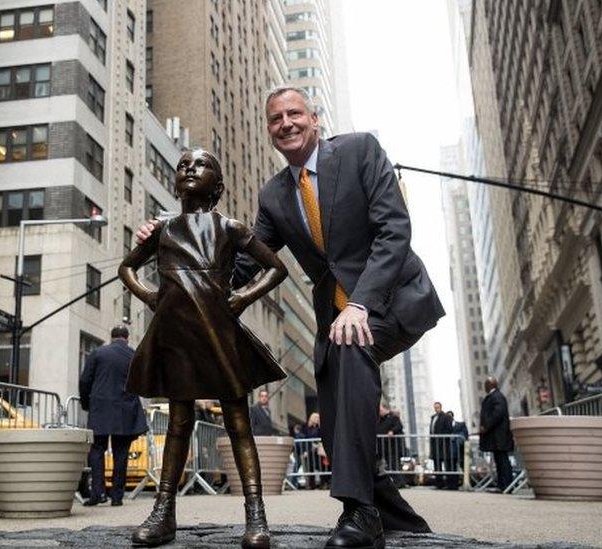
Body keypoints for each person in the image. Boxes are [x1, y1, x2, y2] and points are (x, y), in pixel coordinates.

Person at [136, 86, 443, 548]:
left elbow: (394, 229)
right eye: (276, 119)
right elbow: (242, 264)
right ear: (270, 131)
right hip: (333, 317)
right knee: (335, 419)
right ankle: (396, 518)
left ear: (314, 119)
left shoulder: (360, 151)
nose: (287, 124)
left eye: (295, 114)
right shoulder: (276, 195)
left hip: (391, 300)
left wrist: (360, 304)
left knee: (352, 348)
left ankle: (359, 514)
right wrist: (171, 243)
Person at [120, 148, 288, 548]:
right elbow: (126, 267)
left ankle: (256, 515)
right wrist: (149, 295)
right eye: (182, 165)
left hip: (220, 334)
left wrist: (244, 297)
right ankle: (164, 512)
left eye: (201, 165)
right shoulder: (163, 230)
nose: (189, 169)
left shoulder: (229, 227)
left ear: (218, 185)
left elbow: (275, 267)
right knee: (179, 423)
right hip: (176, 335)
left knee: (238, 422)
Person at [78, 325, 149, 507]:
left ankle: (97, 494)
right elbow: (142, 382)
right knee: (121, 453)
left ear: (111, 337)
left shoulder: (98, 353)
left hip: (100, 408)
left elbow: (85, 380)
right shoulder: (134, 355)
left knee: (96, 451)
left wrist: (86, 403)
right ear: (127, 338)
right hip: (125, 409)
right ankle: (117, 497)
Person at [479, 377, 515, 492]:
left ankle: (507, 485)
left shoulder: (497, 396)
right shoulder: (494, 396)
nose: (484, 387)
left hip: (499, 436)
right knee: (499, 461)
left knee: (503, 461)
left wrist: (486, 426)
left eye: (486, 384)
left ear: (491, 385)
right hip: (496, 437)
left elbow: (497, 414)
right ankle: (502, 485)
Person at [376, 404, 406, 488]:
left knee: (394, 465)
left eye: (380, 409)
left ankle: (400, 482)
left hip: (393, 447)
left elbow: (399, 426)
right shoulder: (380, 420)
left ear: (385, 409)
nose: (378, 411)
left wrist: (392, 431)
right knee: (389, 465)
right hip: (383, 447)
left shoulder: (394, 417)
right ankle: (398, 482)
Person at [428, 402, 455, 489]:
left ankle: (449, 484)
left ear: (441, 407)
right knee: (437, 465)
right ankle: (439, 483)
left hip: (443, 444)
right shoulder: (433, 417)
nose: (436, 409)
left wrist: (442, 438)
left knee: (447, 464)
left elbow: (449, 429)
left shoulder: (446, 417)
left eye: (438, 407)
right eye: (435, 407)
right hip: (435, 445)